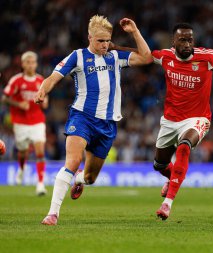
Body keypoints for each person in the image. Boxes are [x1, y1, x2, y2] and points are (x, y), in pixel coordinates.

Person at [35, 15, 152, 225]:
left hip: (107, 124)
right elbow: (53, 77)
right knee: (72, 160)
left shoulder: (115, 57)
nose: (105, 45)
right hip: (82, 117)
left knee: (90, 178)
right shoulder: (77, 56)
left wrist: (134, 32)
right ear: (89, 37)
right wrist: (43, 91)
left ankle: (79, 180)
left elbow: (146, 57)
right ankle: (52, 213)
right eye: (100, 41)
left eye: (107, 40)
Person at [151, 23, 213, 220]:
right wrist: (117, 48)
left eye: (190, 40)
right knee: (159, 164)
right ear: (173, 42)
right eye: (182, 40)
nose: (187, 44)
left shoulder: (206, 57)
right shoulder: (165, 56)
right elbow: (143, 54)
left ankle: (167, 204)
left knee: (184, 145)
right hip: (169, 120)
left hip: (197, 118)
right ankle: (172, 177)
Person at [2, 51, 48, 196]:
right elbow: (5, 98)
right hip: (20, 122)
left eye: (32, 62)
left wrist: (45, 102)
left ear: (36, 64)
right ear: (22, 64)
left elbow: (45, 103)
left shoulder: (41, 80)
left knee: (40, 151)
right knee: (23, 151)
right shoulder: (16, 80)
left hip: (37, 120)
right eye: (27, 62)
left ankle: (40, 184)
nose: (30, 64)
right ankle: (21, 169)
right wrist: (18, 104)